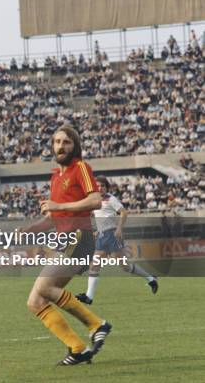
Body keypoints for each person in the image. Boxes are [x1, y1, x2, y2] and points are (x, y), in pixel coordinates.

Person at [19, 125, 111, 366]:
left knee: (45, 287)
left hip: (80, 237)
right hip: (66, 239)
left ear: (74, 145)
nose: (60, 146)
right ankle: (77, 348)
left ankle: (96, 324)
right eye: (57, 142)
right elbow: (52, 218)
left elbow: (95, 200)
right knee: (35, 301)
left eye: (66, 142)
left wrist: (58, 207)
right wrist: (29, 230)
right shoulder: (56, 176)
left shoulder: (80, 167)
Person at [76, 176, 158, 305]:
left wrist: (119, 228)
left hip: (112, 236)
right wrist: (98, 230)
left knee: (125, 267)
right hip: (103, 236)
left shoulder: (111, 199)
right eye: (98, 186)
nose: (100, 188)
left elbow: (124, 213)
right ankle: (89, 297)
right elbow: (102, 217)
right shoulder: (96, 201)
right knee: (94, 265)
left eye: (103, 186)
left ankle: (151, 278)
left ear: (106, 188)